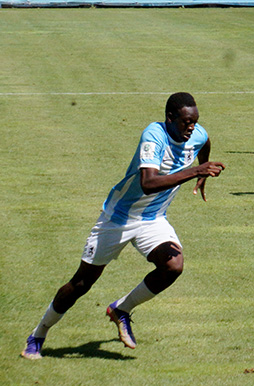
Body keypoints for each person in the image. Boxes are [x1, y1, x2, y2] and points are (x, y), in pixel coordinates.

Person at [21, 92, 225, 359]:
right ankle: (38, 333)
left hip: (153, 219)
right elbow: (148, 183)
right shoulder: (154, 135)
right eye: (186, 122)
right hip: (118, 218)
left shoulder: (196, 134)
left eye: (195, 122)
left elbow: (204, 143)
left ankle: (121, 309)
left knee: (173, 266)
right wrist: (196, 172)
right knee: (82, 283)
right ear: (170, 118)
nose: (191, 128)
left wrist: (202, 174)